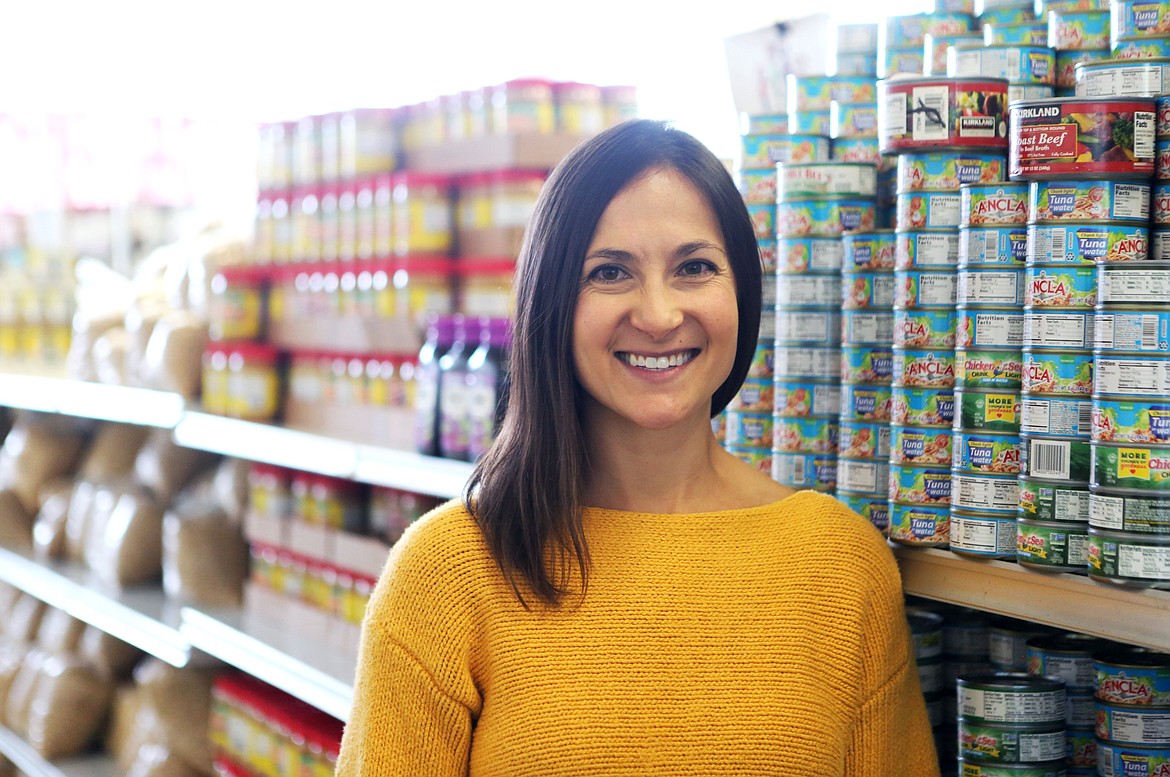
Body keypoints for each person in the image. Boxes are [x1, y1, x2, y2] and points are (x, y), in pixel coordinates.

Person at [337, 119, 939, 776]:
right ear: (551, 303)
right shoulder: (444, 575)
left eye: (694, 267)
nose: (657, 315)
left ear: (743, 291)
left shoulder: (843, 566)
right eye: (611, 272)